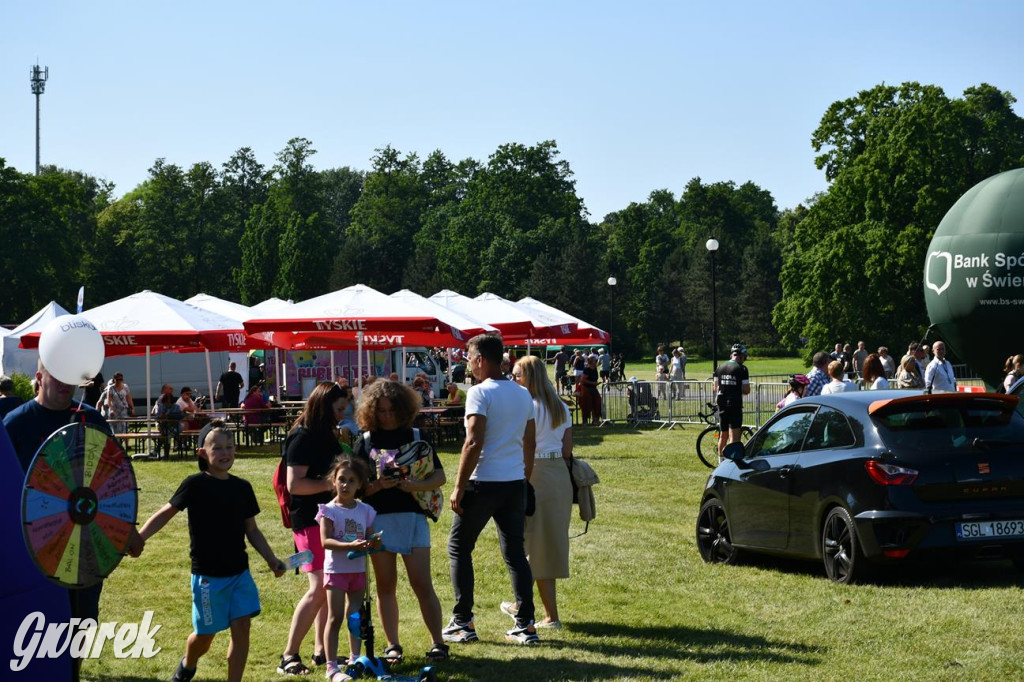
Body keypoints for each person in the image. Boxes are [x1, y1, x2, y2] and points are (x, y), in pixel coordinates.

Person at [4, 360, 144, 681]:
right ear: (39, 378)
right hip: (35, 548)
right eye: (57, 375)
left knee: (82, 625)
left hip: (87, 543)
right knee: (40, 627)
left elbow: (112, 478)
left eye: (71, 375)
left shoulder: (91, 419)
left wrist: (127, 530)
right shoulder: (15, 425)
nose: (66, 382)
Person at [137, 420, 285, 682]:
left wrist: (272, 559)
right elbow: (166, 513)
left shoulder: (242, 488)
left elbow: (252, 530)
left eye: (229, 447)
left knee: (242, 628)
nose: (225, 452)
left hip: (239, 573)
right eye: (217, 447)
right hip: (208, 578)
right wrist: (140, 537)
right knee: (205, 638)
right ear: (202, 453)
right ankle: (188, 663)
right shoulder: (194, 484)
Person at [444, 333, 539, 646]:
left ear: (481, 359)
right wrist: (524, 478)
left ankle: (463, 622)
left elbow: (473, 441)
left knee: (458, 546)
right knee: (514, 552)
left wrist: (459, 486)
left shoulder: (479, 393)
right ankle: (526, 624)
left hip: (484, 482)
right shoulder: (523, 394)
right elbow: (530, 441)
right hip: (513, 482)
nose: (468, 365)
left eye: (469, 358)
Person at [353, 380, 449, 663]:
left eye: (391, 410)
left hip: (413, 518)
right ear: (371, 411)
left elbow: (440, 477)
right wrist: (379, 485)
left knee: (422, 583)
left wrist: (413, 486)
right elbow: (355, 490)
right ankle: (393, 645)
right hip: (378, 519)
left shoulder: (418, 435)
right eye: (381, 411)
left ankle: (438, 643)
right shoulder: (366, 442)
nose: (386, 416)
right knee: (386, 586)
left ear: (403, 408)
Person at [279, 382, 348, 676]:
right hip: (308, 521)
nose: (343, 414)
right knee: (319, 586)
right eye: (339, 408)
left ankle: (322, 651)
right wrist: (330, 484)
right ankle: (288, 655)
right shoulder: (302, 437)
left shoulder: (326, 435)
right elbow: (295, 485)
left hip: (327, 519)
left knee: (327, 585)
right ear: (324, 406)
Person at [506, 356, 572, 629]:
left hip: (535, 472)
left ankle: (549, 615)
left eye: (517, 375)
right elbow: (567, 450)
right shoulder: (561, 406)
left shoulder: (527, 407)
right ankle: (523, 603)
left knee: (533, 545)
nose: (513, 380)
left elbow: (525, 445)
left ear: (529, 377)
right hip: (559, 474)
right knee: (545, 543)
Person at [316, 455, 378, 681]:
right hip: (336, 571)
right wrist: (349, 545)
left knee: (355, 616)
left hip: (358, 571)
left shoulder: (366, 511)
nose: (345, 484)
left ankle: (355, 659)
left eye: (352, 480)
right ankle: (331, 666)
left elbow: (370, 537)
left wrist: (374, 542)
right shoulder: (328, 510)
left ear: (360, 484)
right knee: (335, 618)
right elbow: (325, 541)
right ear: (333, 481)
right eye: (341, 479)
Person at [713, 344, 750, 460]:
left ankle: (720, 462)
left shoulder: (719, 367)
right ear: (742, 356)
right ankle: (732, 463)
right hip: (734, 404)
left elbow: (715, 387)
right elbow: (746, 389)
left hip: (721, 403)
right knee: (734, 437)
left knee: (723, 434)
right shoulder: (742, 369)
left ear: (732, 355)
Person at [153, 391, 184, 459]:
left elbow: (180, 416)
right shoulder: (162, 406)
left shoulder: (176, 407)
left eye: (169, 402)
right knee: (167, 434)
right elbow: (156, 417)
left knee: (167, 435)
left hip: (176, 427)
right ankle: (163, 453)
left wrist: (168, 415)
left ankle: (159, 452)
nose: (168, 403)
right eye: (166, 402)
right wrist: (161, 416)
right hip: (165, 427)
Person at [579, 355, 602, 425]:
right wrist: (593, 383)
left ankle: (595, 420)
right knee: (586, 405)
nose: (596, 362)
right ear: (591, 362)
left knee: (597, 403)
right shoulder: (587, 369)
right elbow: (582, 380)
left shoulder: (595, 369)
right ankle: (585, 421)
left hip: (594, 388)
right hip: (586, 389)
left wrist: (596, 383)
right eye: (595, 361)